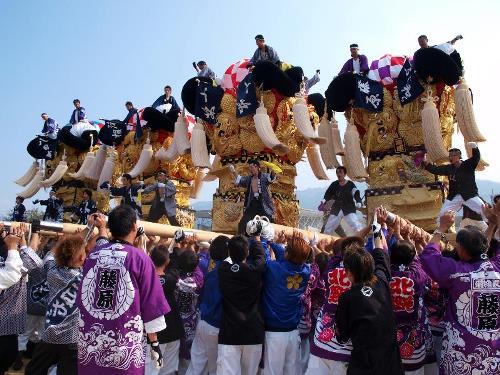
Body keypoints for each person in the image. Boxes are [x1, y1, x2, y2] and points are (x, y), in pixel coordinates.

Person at [77, 204, 170, 375]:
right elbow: (151, 303)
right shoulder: (140, 258)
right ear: (134, 226)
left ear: (110, 228)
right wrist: (154, 344)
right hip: (124, 346)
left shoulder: (94, 256)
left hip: (91, 344)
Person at [420, 210, 500, 375]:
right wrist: (494, 224)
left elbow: (428, 256)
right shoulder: (497, 269)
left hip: (458, 358)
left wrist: (441, 228)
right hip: (492, 357)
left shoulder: (457, 273)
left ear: (462, 251)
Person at [335, 212, 404, 374]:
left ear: (349, 272)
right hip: (391, 363)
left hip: (365, 365)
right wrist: (376, 228)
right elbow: (380, 253)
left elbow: (342, 335)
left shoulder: (347, 298)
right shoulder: (381, 281)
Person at [25, 235, 87, 375]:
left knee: (34, 370)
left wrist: (64, 241)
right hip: (72, 340)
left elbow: (51, 255)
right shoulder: (84, 278)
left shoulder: (52, 272)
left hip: (50, 336)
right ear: (82, 258)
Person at [307, 237, 361, 375]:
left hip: (321, 340)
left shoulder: (330, 270)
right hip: (345, 348)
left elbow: (331, 258)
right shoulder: (361, 277)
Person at [262, 231, 312, 375]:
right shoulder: (306, 271)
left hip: (274, 333)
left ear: (288, 254)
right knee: (292, 371)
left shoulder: (274, 269)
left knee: (272, 371)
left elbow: (264, 258)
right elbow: (287, 258)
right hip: (292, 331)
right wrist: (275, 244)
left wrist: (265, 240)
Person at [217, 233, 267, 375]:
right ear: (248, 252)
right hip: (253, 332)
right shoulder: (255, 271)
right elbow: (261, 260)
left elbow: (226, 260)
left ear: (229, 252)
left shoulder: (223, 270)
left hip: (229, 333)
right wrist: (257, 240)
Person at [0, 225, 43, 375]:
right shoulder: (15, 268)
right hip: (5, 328)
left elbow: (28, 256)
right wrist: (19, 242)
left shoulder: (12, 263)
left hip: (9, 327)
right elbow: (33, 260)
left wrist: (15, 243)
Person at [186, 235, 230, 375]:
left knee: (196, 365)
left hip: (203, 322)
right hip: (216, 326)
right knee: (215, 369)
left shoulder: (211, 272)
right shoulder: (228, 273)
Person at [389, 235, 430, 374]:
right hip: (414, 342)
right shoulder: (418, 276)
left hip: (389, 340)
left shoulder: (384, 275)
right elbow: (417, 262)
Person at [145, 245, 185, 375]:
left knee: (152, 369)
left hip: (154, 332)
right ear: (167, 261)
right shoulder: (172, 278)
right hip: (173, 329)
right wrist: (179, 246)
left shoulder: (147, 280)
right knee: (169, 370)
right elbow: (175, 264)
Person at [423, 142, 486, 223]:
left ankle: (492, 227)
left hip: (469, 195)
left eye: (453, 155)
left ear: (459, 156)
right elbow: (435, 170)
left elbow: (476, 158)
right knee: (443, 214)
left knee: (483, 209)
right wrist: (425, 162)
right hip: (454, 196)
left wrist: (474, 147)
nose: (451, 157)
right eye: (450, 155)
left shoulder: (468, 164)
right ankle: (439, 232)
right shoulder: (449, 168)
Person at [228, 159, 276, 235]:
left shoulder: (264, 176)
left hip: (263, 204)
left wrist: (273, 171)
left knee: (268, 223)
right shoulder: (249, 179)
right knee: (243, 223)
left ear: (257, 167)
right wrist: (233, 171)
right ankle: (241, 239)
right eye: (249, 167)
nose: (250, 169)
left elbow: (271, 178)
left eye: (252, 167)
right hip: (253, 203)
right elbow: (240, 180)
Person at [321, 166, 364, 235]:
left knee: (356, 225)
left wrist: (359, 202)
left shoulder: (350, 184)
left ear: (345, 174)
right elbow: (327, 194)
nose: (338, 174)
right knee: (328, 227)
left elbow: (356, 194)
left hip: (348, 208)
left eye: (340, 172)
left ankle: (362, 241)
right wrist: (323, 201)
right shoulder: (334, 184)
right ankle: (325, 243)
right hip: (336, 208)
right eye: (337, 172)